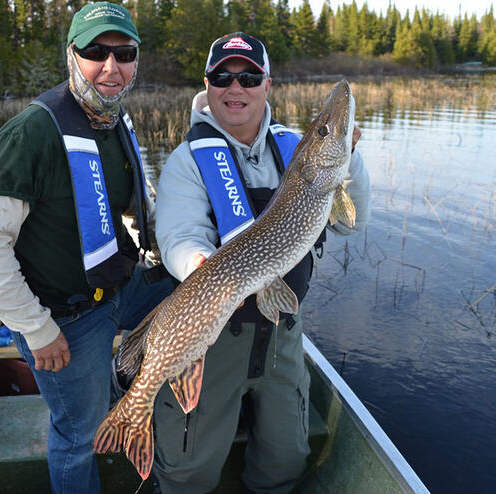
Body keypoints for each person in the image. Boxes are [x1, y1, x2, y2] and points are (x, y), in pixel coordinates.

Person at [0, 3, 173, 492]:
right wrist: (36, 330)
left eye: (124, 53)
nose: (111, 66)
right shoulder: (31, 134)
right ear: (72, 55)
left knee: (198, 289)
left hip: (120, 286)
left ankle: (173, 408)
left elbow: (139, 206)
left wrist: (180, 251)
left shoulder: (114, 122)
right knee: (79, 436)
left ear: (137, 60)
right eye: (96, 51)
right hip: (64, 319)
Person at [152, 33, 371, 493]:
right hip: (214, 338)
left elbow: (350, 224)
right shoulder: (186, 162)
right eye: (223, 77)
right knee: (190, 471)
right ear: (207, 84)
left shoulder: (300, 150)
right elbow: (178, 236)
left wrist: (350, 158)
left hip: (283, 332)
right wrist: (209, 275)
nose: (236, 88)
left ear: (267, 85)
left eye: (249, 76)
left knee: (284, 460)